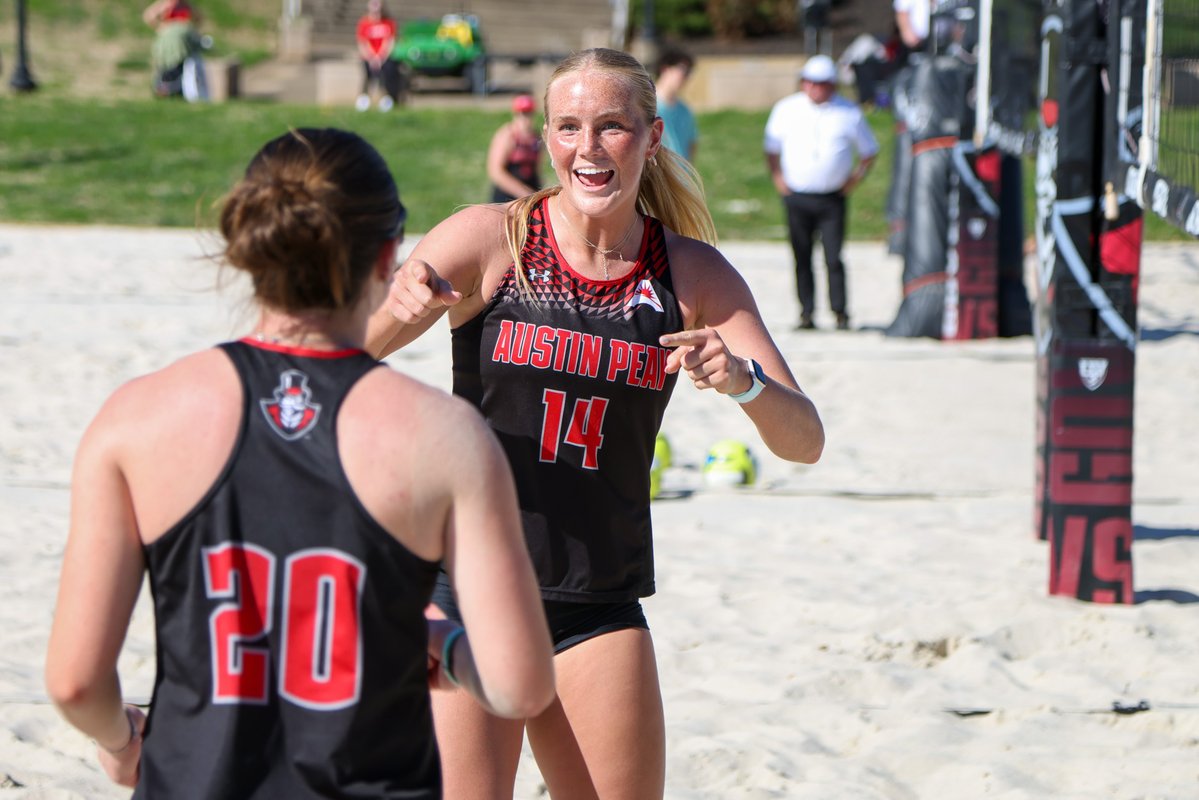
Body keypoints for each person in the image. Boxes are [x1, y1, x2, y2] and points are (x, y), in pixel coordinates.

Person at [366, 47, 824, 800]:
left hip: (597, 599)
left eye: (610, 127)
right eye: (569, 126)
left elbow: (803, 440)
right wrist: (393, 311)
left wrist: (743, 384)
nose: (588, 148)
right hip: (468, 590)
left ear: (651, 137)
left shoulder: (692, 274)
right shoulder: (491, 240)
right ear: (544, 136)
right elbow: (331, 367)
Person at [43, 128, 555, 798]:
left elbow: (75, 680)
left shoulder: (136, 418)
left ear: (248, 246)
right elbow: (520, 685)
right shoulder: (444, 434)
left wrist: (121, 742)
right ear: (386, 255)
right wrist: (447, 648)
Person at [764, 54, 879, 330]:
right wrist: (779, 179)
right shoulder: (786, 109)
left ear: (833, 85)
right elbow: (771, 148)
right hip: (798, 195)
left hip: (832, 198)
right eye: (811, 82)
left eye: (823, 83)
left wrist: (853, 181)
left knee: (833, 257)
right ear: (803, 83)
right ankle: (807, 312)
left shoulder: (848, 112)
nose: (816, 89)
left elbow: (869, 152)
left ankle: (840, 312)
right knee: (801, 255)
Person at [143, 0, 208, 101]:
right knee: (166, 68)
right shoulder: (166, 4)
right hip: (170, 39)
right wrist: (161, 27)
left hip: (183, 40)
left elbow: (199, 18)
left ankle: (183, 90)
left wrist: (190, 28)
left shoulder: (186, 5)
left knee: (184, 66)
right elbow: (149, 16)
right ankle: (164, 89)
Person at [487, 93, 544, 203]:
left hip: (530, 191)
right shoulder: (507, 136)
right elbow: (496, 172)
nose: (525, 118)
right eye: (522, 114)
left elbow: (537, 169)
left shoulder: (536, 138)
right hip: (507, 195)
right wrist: (523, 193)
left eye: (528, 113)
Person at [654, 47, 698, 163]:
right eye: (683, 70)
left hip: (680, 175)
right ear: (665, 69)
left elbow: (692, 144)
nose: (686, 77)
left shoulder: (684, 109)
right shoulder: (647, 106)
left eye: (689, 72)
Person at [355, 0, 401, 112]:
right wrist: (372, 58)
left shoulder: (388, 23)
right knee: (368, 72)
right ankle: (364, 96)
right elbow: (363, 43)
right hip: (369, 58)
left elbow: (389, 41)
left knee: (387, 72)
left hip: (384, 57)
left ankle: (386, 97)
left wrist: (380, 57)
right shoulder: (364, 23)